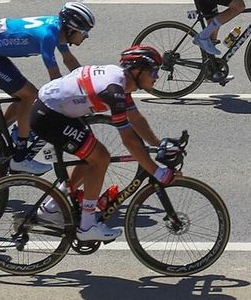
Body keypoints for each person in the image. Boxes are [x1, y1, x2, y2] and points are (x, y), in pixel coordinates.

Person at [29, 45, 177, 242]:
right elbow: (129, 140)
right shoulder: (114, 91)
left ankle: (51, 208)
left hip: (59, 109)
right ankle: (87, 226)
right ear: (137, 70)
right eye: (153, 71)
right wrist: (157, 172)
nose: (156, 76)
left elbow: (136, 119)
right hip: (49, 116)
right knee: (100, 158)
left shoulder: (122, 81)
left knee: (91, 156)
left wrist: (158, 144)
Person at [0, 2, 95, 171]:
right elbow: (55, 79)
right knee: (29, 95)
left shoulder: (59, 30)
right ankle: (19, 159)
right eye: (84, 32)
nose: (86, 37)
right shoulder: (49, 35)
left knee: (23, 99)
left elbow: (68, 59)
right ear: (71, 29)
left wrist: (87, 83)